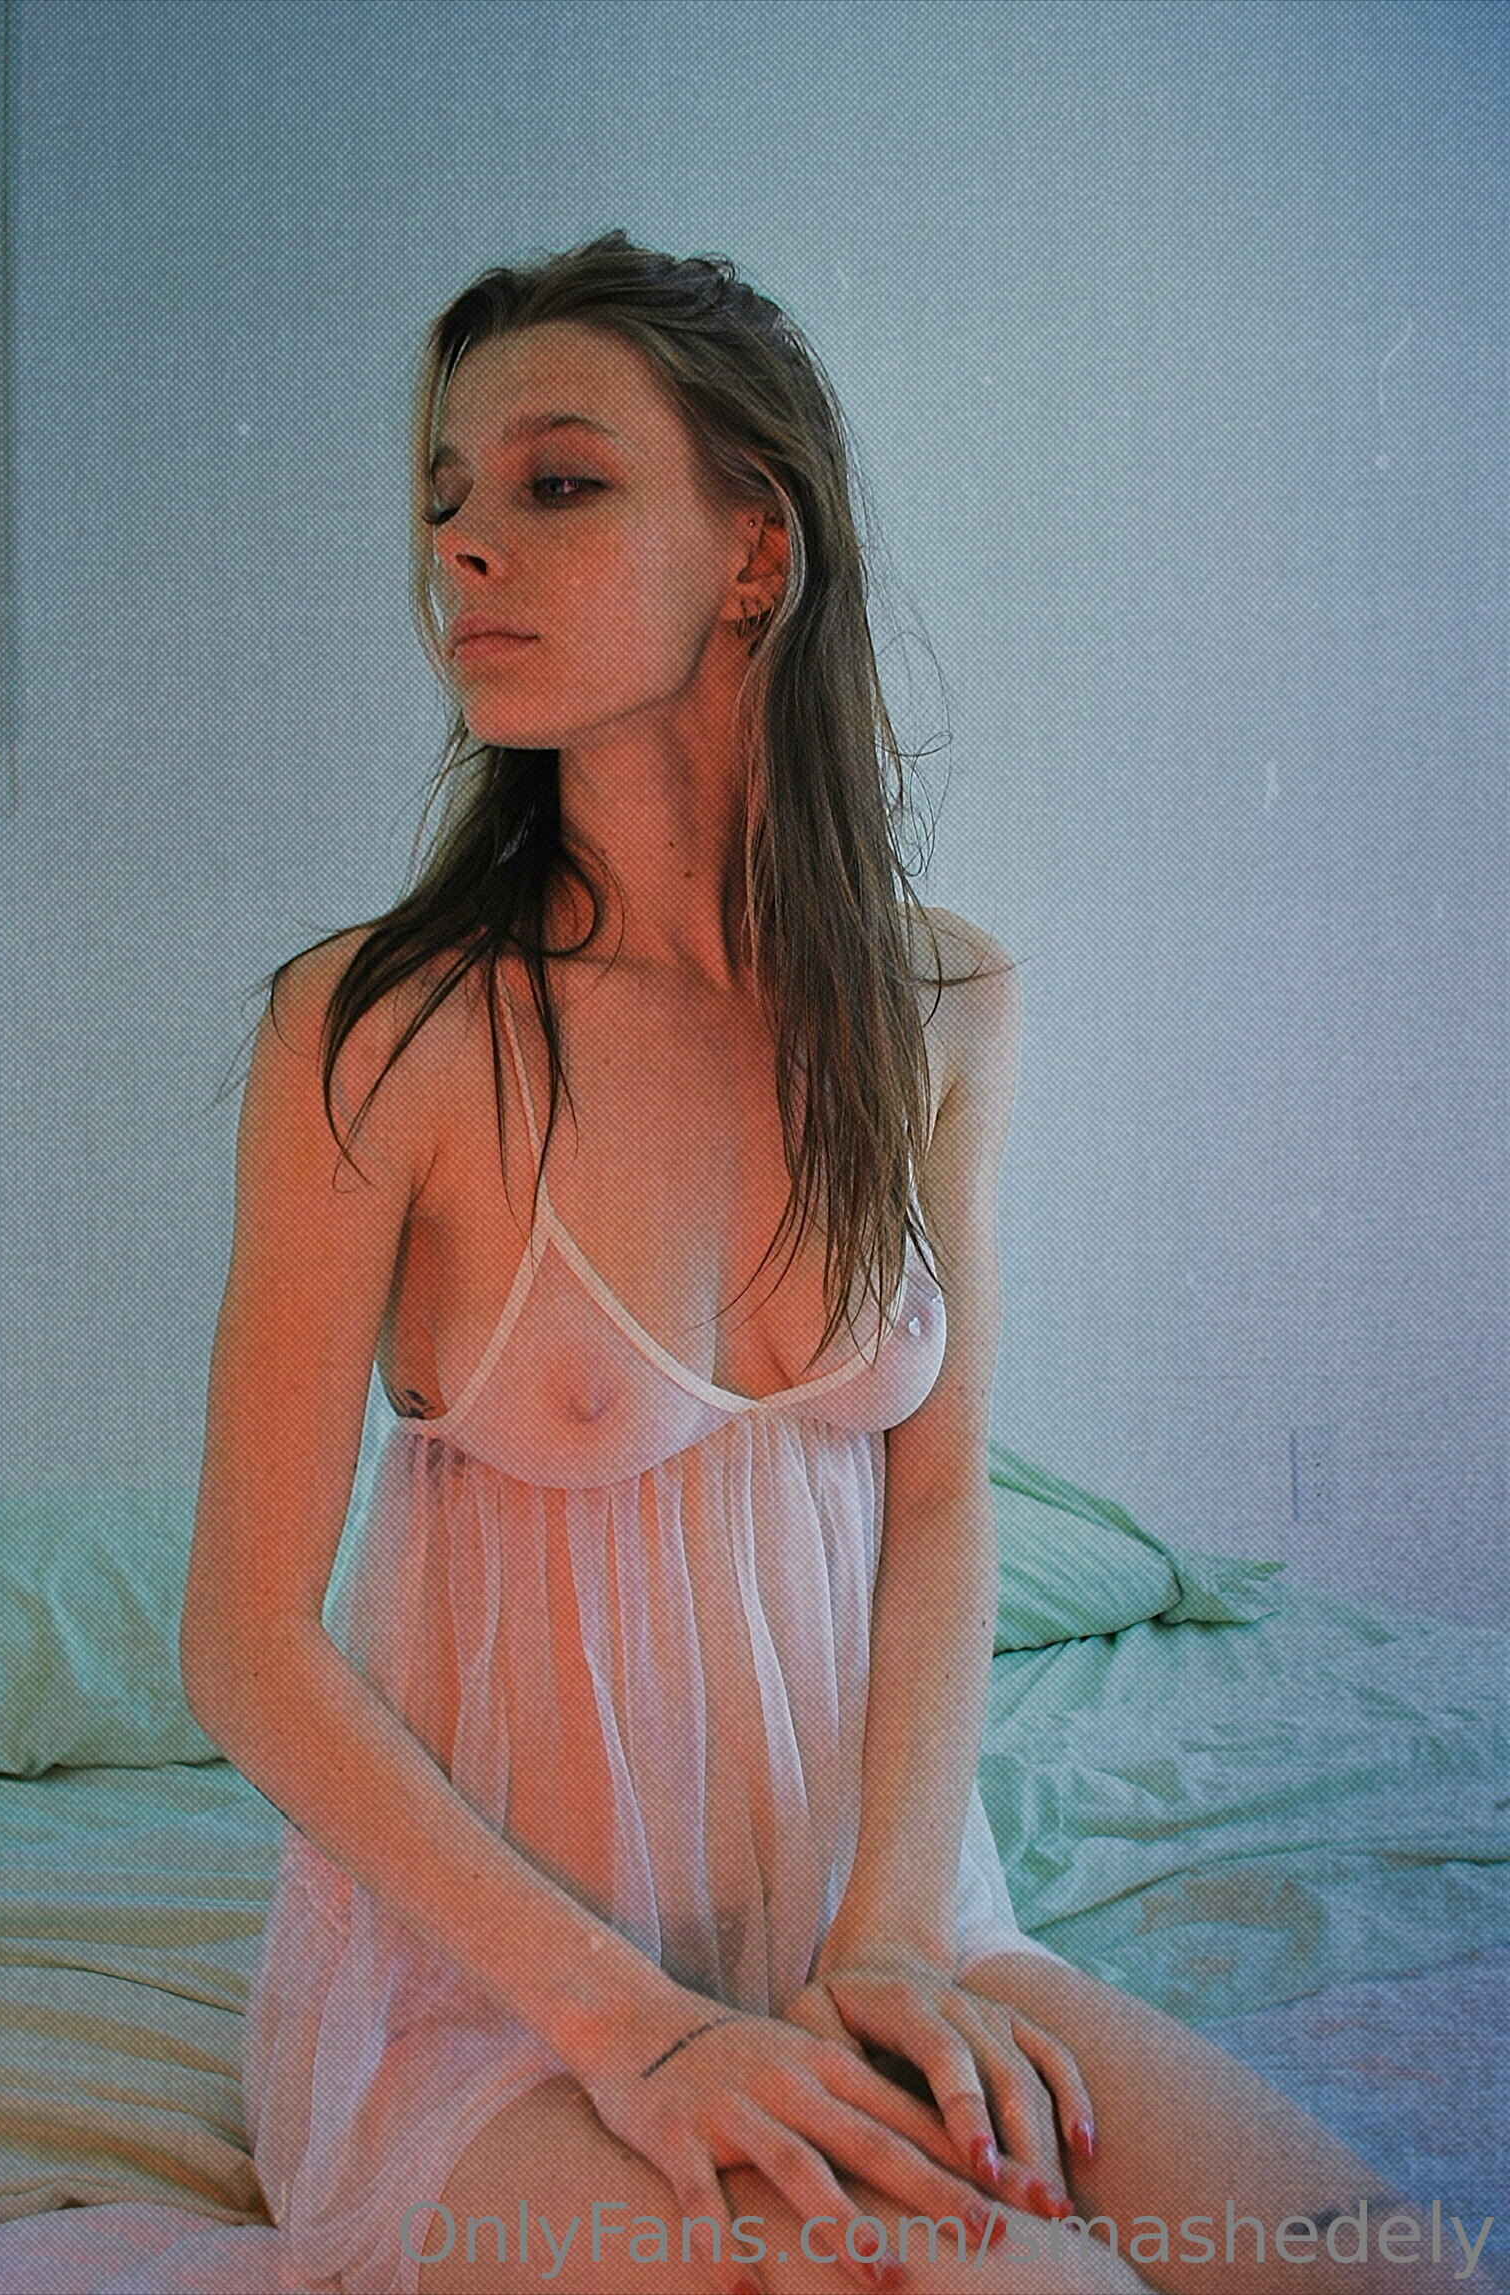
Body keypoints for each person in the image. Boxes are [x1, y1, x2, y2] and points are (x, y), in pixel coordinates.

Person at [180, 235, 1474, 2295]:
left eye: (558, 482)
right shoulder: (380, 1027)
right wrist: (643, 2030)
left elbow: (941, 1495)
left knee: (1388, 2259)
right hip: (501, 2003)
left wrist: (890, 1937)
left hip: (884, 1915)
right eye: (444, 498)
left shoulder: (941, 1001)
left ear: (755, 550)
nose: (463, 549)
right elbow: (248, 1646)